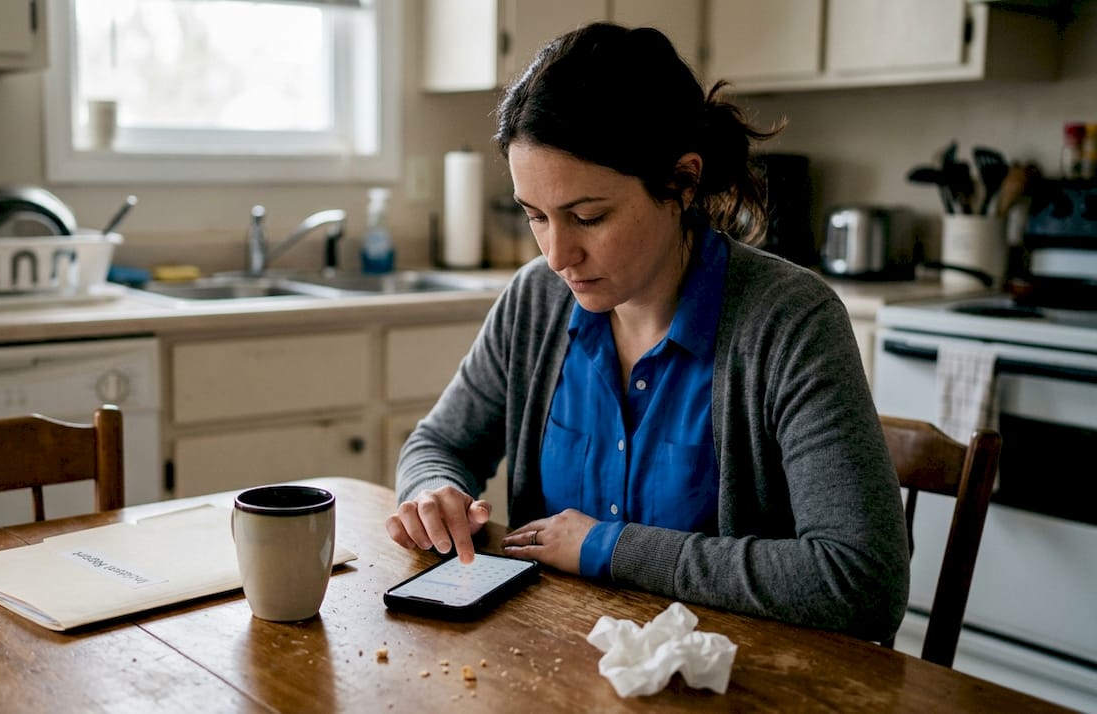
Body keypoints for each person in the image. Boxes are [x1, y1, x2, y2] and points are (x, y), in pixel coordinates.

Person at [385, 22, 909, 642]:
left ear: (682, 182)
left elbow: (862, 580)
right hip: (550, 668)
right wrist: (433, 491)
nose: (557, 255)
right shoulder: (536, 300)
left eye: (587, 217)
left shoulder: (790, 322)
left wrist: (609, 548)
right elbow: (439, 444)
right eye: (536, 217)